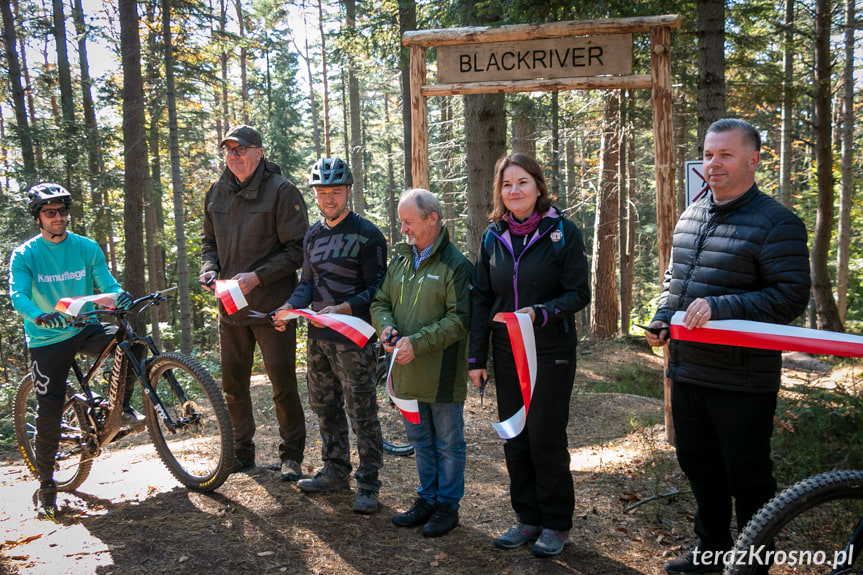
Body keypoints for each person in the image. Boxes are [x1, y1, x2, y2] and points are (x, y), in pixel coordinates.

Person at [646, 119, 810, 575]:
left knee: (748, 478)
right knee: (700, 467)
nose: (713, 164)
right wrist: (663, 317)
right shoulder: (693, 212)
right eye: (709, 154)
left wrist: (721, 306)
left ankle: (754, 564)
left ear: (753, 160)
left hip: (742, 378)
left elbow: (790, 296)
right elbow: (675, 281)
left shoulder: (777, 222)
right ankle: (710, 552)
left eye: (725, 155)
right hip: (688, 370)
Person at [468, 153, 590, 558]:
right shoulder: (493, 236)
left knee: (545, 436)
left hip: (551, 349)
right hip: (506, 351)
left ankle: (556, 524)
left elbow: (578, 294)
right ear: (499, 193)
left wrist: (542, 313)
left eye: (522, 182)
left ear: (538, 186)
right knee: (515, 436)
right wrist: (476, 358)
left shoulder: (563, 232)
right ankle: (527, 518)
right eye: (506, 185)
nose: (514, 190)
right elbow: (482, 298)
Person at [8, 183, 140, 517]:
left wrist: (118, 294)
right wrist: (39, 315)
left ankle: (120, 409)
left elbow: (107, 284)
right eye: (50, 212)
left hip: (84, 327)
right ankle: (47, 486)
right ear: (38, 217)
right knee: (50, 411)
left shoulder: (86, 247)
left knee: (131, 343)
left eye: (63, 211)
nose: (59, 218)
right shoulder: (25, 255)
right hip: (46, 337)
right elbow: (18, 295)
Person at [271, 157, 386, 514]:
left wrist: (345, 309)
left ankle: (368, 483)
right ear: (315, 195)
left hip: (353, 339)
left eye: (336, 191)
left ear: (348, 191)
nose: (330, 198)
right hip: (318, 339)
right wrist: (289, 307)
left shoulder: (368, 234)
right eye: (323, 192)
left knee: (361, 411)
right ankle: (335, 469)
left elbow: (378, 288)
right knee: (325, 407)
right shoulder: (313, 235)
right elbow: (307, 283)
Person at [199, 124, 309, 481]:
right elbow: (208, 244)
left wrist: (257, 277)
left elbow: (298, 250)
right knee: (233, 386)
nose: (235, 156)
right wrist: (209, 269)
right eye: (229, 150)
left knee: (282, 384)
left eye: (241, 149)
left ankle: (291, 455)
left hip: (272, 308)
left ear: (259, 152)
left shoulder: (282, 191)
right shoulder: (216, 192)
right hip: (230, 309)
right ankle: (241, 454)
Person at [369, 188, 473, 538]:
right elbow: (380, 300)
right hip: (406, 373)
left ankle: (448, 507)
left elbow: (460, 319)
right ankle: (427, 499)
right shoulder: (399, 261)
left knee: (447, 442)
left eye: (408, 222)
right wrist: (384, 326)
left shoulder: (456, 266)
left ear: (433, 219)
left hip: (442, 375)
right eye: (401, 222)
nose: (403, 230)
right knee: (420, 441)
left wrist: (418, 342)